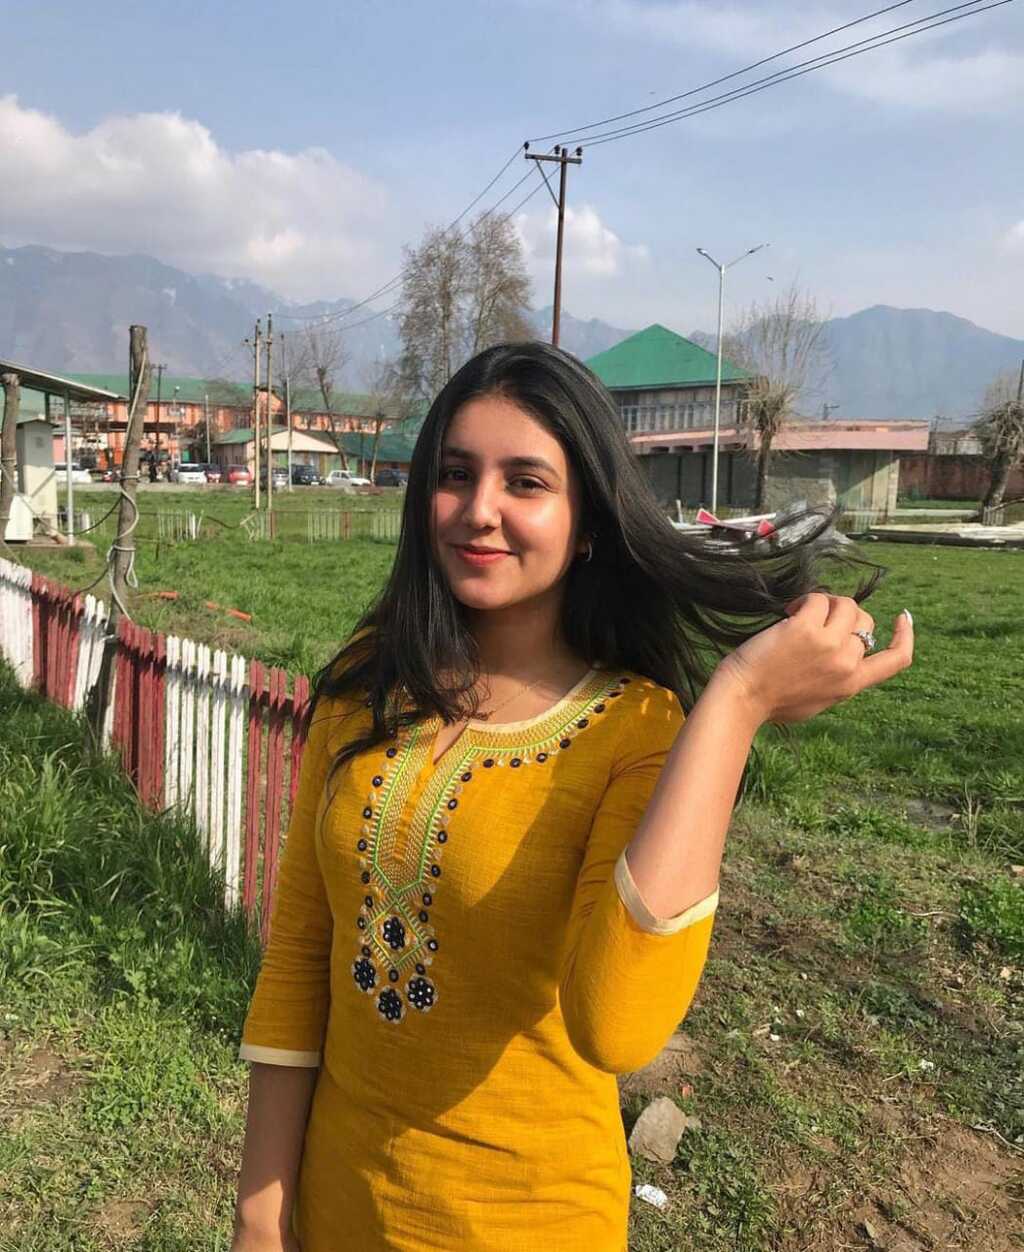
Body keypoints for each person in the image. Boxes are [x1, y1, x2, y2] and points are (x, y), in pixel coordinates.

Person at [231, 342, 913, 1252]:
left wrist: (735, 705)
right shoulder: (369, 684)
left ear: (586, 520)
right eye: (456, 475)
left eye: (526, 482)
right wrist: (260, 1213)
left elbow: (616, 1026)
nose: (479, 510)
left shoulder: (632, 728)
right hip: (335, 1210)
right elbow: (300, 954)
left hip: (533, 1222)